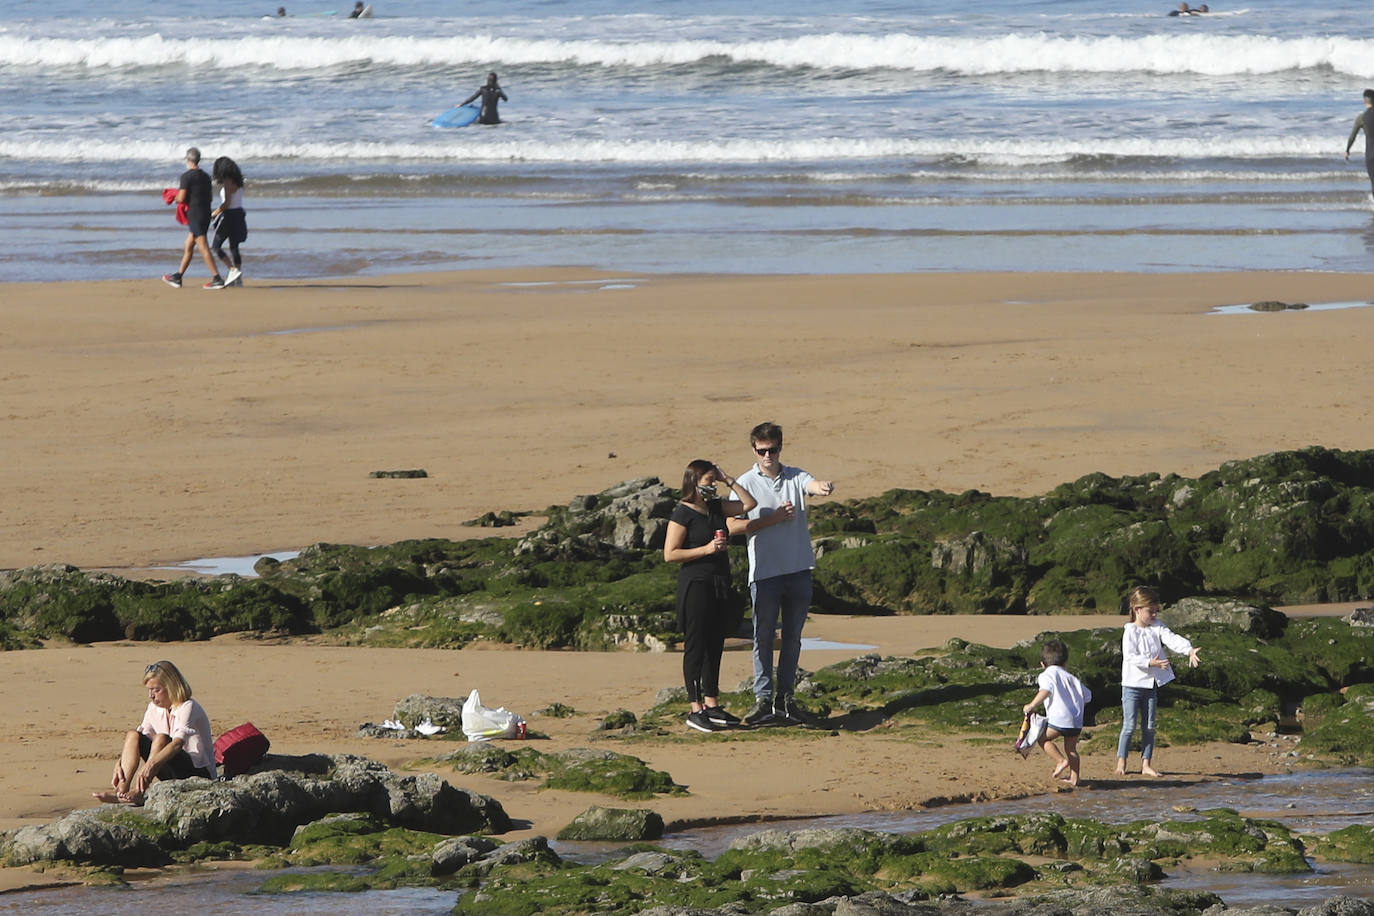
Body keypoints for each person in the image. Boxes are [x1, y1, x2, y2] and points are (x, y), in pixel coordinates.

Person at [731, 422, 834, 726]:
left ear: (780, 448)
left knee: (792, 638)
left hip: (798, 570)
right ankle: (762, 699)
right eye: (762, 450)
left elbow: (811, 484)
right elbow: (733, 525)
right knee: (762, 636)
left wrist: (822, 486)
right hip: (764, 573)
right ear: (754, 450)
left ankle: (785, 699)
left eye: (773, 450)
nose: (767, 455)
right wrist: (773, 519)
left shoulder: (795, 475)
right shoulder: (745, 482)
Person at [663, 459, 757, 733]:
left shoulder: (716, 506)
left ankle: (711, 703)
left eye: (713, 480)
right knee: (696, 645)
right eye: (708, 481)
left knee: (715, 643)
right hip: (696, 583)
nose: (711, 485)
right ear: (693, 481)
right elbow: (670, 554)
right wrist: (706, 549)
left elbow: (748, 504)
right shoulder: (683, 513)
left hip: (719, 582)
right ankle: (695, 709)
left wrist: (729, 480)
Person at [94, 660, 216, 805]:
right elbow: (140, 739)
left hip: (198, 772)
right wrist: (120, 762)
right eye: (149, 690)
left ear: (171, 688)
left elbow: (177, 743)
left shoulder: (188, 706)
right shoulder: (153, 708)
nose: (151, 696)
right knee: (133, 735)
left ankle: (140, 791)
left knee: (161, 739)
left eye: (156, 690)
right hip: (168, 768)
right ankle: (120, 791)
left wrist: (149, 766)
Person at [1116, 586, 1202, 777]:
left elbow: (1171, 639)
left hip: (1150, 685)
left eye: (1156, 610)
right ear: (1137, 609)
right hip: (1131, 685)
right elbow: (1130, 656)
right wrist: (1150, 662)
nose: (1154, 614)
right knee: (1129, 726)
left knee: (1149, 726)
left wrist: (1188, 650)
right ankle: (1121, 761)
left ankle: (1146, 764)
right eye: (1150, 611)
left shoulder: (1158, 627)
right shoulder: (1130, 631)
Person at [1022, 639, 1092, 786]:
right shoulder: (1072, 678)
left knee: (1042, 738)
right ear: (1065, 662)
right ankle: (1075, 778)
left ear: (1042, 664)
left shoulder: (1046, 675)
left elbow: (1046, 690)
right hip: (1076, 720)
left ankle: (1060, 760)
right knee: (1071, 749)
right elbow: (1088, 696)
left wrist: (1032, 705)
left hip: (1060, 718)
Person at [162, 147, 225, 290]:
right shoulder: (205, 176)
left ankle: (217, 278)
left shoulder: (187, 176)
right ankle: (178, 277)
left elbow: (182, 197)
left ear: (188, 160)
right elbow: (209, 197)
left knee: (203, 247)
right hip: (205, 213)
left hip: (195, 214)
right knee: (189, 244)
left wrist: (174, 196)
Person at [211, 157, 248, 288]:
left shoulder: (227, 182)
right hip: (239, 214)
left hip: (229, 216)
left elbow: (226, 204)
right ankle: (238, 279)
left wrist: (213, 214)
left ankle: (233, 270)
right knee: (234, 247)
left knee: (216, 246)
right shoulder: (239, 181)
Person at [1345, 89, 1374, 201]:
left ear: (1364, 101)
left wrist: (1347, 150)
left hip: (1371, 154)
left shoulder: (1361, 118)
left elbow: (1353, 136)